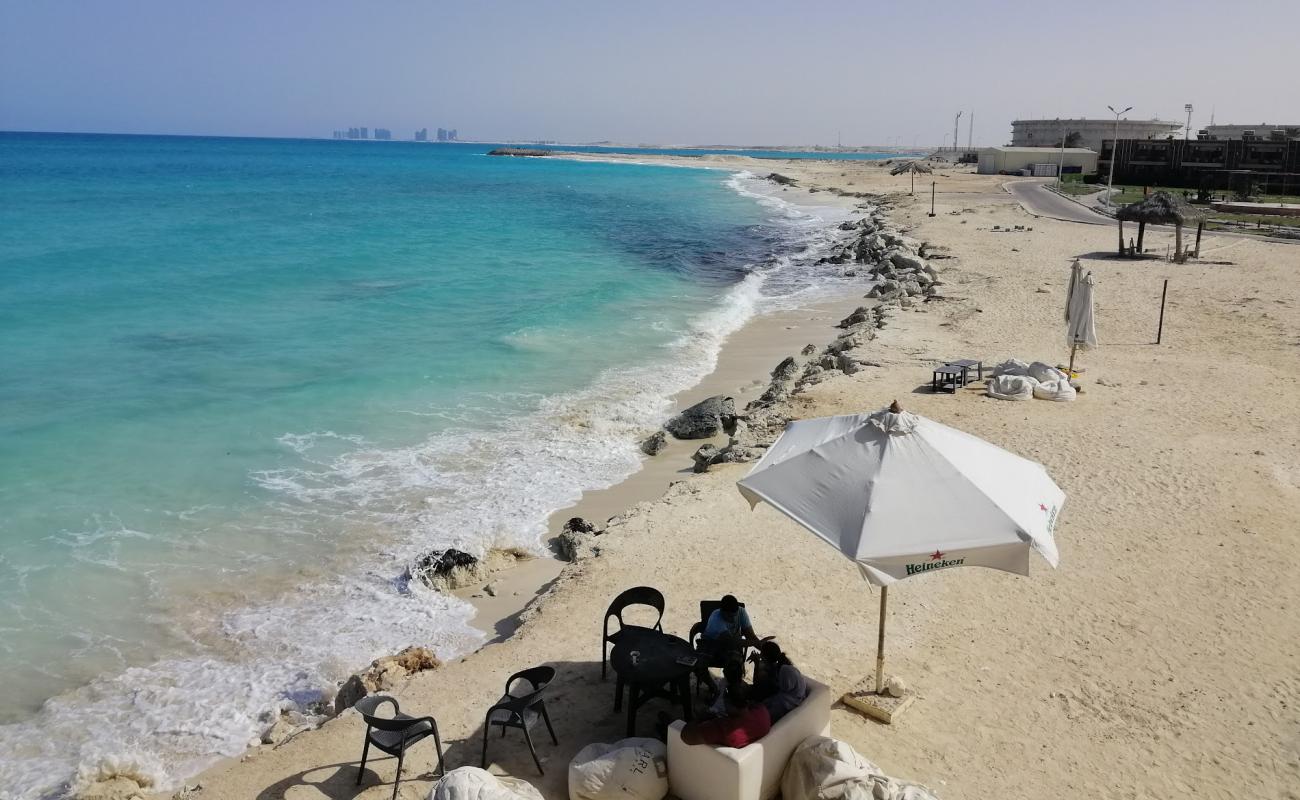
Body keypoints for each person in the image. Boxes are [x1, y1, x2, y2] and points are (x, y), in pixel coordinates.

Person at [676, 681, 771, 748]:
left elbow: (685, 736)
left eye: (724, 701)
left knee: (670, 724)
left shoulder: (722, 728)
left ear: (729, 704)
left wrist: (701, 717)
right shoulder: (762, 712)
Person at [750, 640, 809, 723]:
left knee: (759, 713)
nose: (760, 658)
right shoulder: (777, 666)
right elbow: (757, 683)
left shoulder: (785, 670)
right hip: (787, 698)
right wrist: (757, 665)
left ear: (766, 658)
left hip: (791, 702)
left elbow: (783, 689)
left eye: (762, 656)